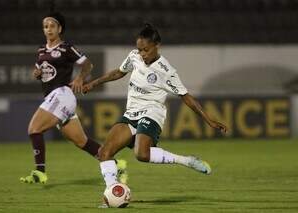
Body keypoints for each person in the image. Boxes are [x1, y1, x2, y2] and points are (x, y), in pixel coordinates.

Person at [83, 23, 228, 189]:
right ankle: (113, 191)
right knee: (104, 153)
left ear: (157, 46)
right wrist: (93, 84)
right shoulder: (134, 57)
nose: (142, 54)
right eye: (139, 50)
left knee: (141, 154)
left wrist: (209, 120)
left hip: (152, 112)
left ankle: (187, 161)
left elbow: (186, 97)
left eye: (146, 50)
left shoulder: (166, 71)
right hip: (131, 113)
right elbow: (118, 72)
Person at [20, 11, 127, 184]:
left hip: (62, 95)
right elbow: (44, 72)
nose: (48, 29)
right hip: (53, 98)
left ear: (60, 28)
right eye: (45, 26)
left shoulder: (66, 48)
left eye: (52, 26)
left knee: (34, 129)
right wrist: (37, 74)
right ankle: (116, 165)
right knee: (82, 142)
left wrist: (79, 78)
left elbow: (87, 64)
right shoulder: (40, 51)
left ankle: (39, 172)